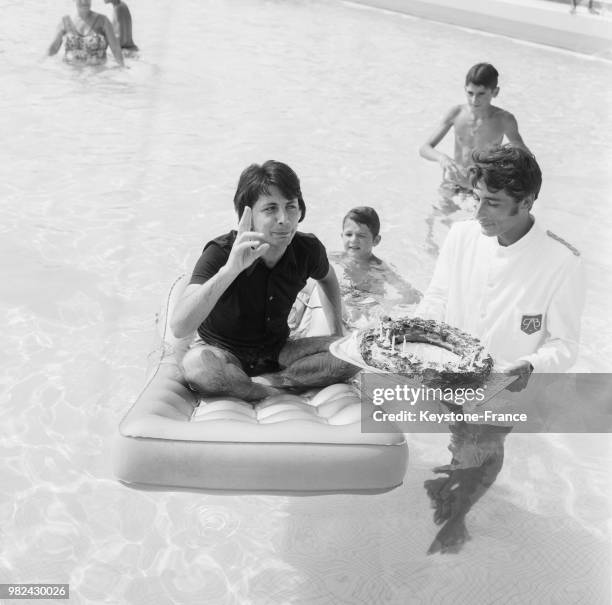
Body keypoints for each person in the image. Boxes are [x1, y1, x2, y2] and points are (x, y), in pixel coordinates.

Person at [417, 145, 585, 554]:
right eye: (477, 199)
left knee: (487, 444)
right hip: (452, 374)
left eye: (492, 203)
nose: (478, 213)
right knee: (461, 434)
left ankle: (458, 520)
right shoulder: (460, 237)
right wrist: (413, 335)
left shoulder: (562, 261)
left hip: (506, 385)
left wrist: (527, 366)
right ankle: (458, 476)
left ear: (526, 201)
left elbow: (565, 346)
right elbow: (436, 299)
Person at [171, 161, 358, 401]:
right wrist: (230, 270)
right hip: (221, 351)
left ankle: (271, 383)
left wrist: (336, 335)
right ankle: (268, 392)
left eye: (291, 207)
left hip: (278, 351)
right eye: (270, 209)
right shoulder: (221, 252)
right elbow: (179, 326)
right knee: (198, 366)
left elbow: (328, 278)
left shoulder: (306, 249)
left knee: (356, 352)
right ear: (248, 216)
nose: (284, 219)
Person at [290, 207, 422, 336]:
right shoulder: (334, 258)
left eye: (361, 235)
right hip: (342, 303)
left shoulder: (380, 268)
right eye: (348, 234)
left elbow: (412, 295)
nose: (353, 240)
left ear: (376, 240)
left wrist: (387, 305)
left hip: (365, 309)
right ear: (341, 236)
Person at [419, 63, 530, 212]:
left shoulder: (504, 120)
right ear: (465, 89)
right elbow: (424, 148)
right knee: (434, 223)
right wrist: (442, 158)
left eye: (481, 94)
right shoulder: (456, 113)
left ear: (495, 92)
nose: (474, 100)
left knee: (476, 229)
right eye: (470, 93)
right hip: (454, 182)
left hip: (482, 188)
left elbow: (524, 156)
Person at [48, 0, 124, 66]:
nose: (84, 1)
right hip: (70, 76)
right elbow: (53, 49)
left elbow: (115, 49)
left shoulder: (103, 21)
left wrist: (123, 68)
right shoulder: (65, 22)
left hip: (98, 77)